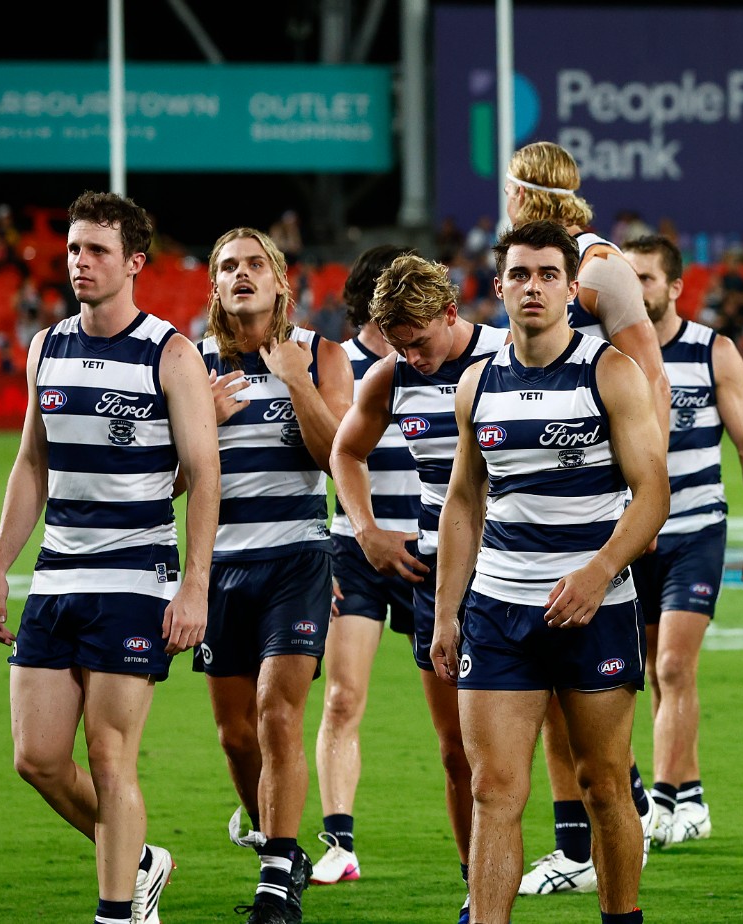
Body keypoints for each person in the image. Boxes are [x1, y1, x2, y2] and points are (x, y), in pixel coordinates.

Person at [431, 219, 667, 924]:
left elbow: (652, 494)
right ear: (498, 286)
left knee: (603, 786)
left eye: (547, 274)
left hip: (596, 610)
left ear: (570, 288)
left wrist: (599, 572)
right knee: (493, 791)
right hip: (498, 611)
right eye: (519, 274)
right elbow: (464, 500)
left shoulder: (610, 372)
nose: (531, 286)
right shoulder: (477, 384)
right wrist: (446, 611)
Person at [0, 191, 218, 924]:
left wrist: (194, 587)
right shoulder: (48, 346)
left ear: (134, 263)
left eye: (97, 250)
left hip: (135, 578)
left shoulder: (171, 354)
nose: (80, 262)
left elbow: (203, 476)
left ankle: (118, 912)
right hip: (58, 574)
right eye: (73, 249)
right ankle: (141, 859)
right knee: (36, 758)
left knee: (109, 756)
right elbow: (32, 464)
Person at [503, 141, 668, 895]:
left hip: (598, 505)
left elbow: (649, 374)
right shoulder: (553, 265)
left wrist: (642, 499)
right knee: (549, 699)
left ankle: (610, 825)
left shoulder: (596, 268)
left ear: (521, 194)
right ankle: (578, 844)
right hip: (550, 504)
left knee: (585, 698)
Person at [327, 252, 511, 920]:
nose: (414, 357)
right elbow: (345, 451)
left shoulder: (509, 354)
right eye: (399, 345)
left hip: (522, 570)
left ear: (450, 313)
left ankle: (583, 849)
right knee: (458, 751)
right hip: (438, 575)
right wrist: (366, 529)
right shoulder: (391, 375)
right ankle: (475, 888)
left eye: (421, 342)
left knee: (557, 745)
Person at [195, 227, 353, 924]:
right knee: (236, 736)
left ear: (280, 279)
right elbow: (167, 482)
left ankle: (275, 878)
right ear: (215, 284)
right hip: (221, 564)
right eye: (228, 265)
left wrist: (296, 382)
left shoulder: (322, 355)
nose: (242, 274)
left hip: (298, 559)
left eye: (255, 263)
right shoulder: (190, 362)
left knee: (276, 714)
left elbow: (338, 458)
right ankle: (278, 843)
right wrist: (200, 421)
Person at [621, 234, 743, 846]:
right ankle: (691, 799)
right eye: (627, 278)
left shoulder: (713, 351)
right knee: (649, 671)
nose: (635, 289)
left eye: (646, 278)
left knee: (673, 666)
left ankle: (660, 807)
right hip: (633, 536)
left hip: (695, 529)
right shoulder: (611, 354)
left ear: (675, 287)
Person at [310, 245, 422, 886]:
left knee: (459, 716)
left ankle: (479, 846)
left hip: (430, 549)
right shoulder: (340, 367)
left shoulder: (440, 363)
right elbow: (314, 464)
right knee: (342, 696)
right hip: (353, 549)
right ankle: (339, 843)